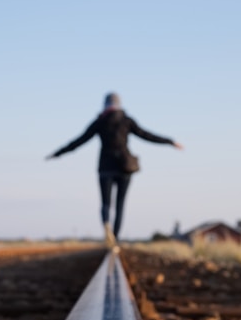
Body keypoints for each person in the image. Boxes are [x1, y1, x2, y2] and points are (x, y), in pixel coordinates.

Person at [46, 93, 183, 248]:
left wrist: (57, 153)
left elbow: (79, 141)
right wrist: (170, 142)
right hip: (124, 167)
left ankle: (106, 223)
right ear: (119, 105)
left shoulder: (100, 121)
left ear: (105, 105)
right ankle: (115, 239)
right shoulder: (126, 121)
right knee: (120, 205)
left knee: (106, 203)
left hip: (105, 168)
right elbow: (147, 135)